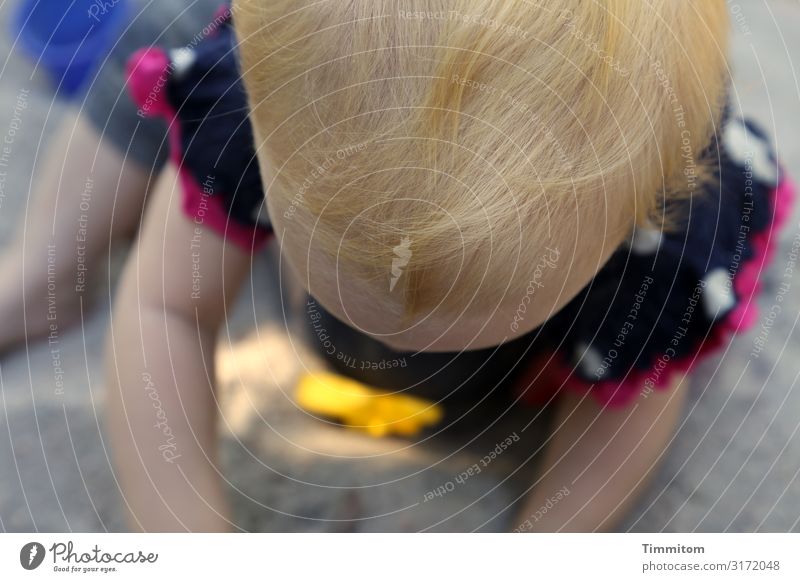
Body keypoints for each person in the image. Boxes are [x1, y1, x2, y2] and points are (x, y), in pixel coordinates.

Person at [106, 0, 794, 531]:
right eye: (346, 271)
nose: (401, 342)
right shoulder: (268, 101)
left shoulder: (661, 225)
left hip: (517, 380)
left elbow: (622, 421)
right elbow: (165, 308)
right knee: (117, 130)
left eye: (471, 317)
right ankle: (37, 268)